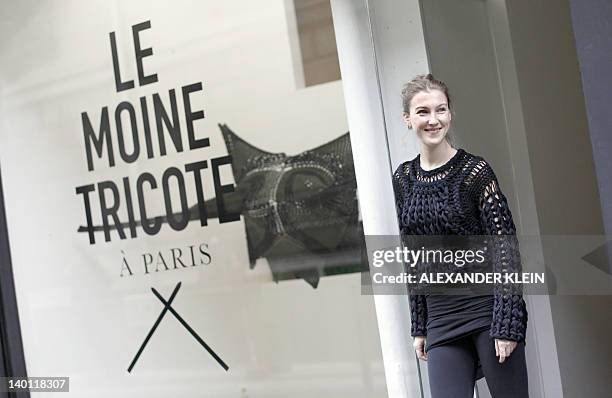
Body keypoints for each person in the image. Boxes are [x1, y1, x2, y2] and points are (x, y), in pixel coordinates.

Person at [392, 74, 529, 398]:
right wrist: (420, 325)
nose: (433, 119)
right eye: (423, 111)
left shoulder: (474, 172)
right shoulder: (404, 179)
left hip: (488, 312)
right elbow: (414, 257)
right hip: (441, 319)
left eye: (441, 110)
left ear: (450, 114)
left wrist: (507, 323)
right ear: (408, 119)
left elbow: (505, 248)